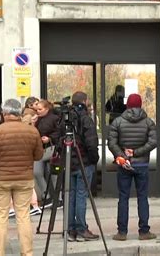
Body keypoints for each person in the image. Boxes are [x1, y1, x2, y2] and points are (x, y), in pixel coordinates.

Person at [0, 99, 43, 256]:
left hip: (0, 180)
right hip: (24, 179)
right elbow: (38, 155)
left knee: (1, 217)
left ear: (3, 113)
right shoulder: (32, 131)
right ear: (19, 112)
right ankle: (27, 253)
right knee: (23, 216)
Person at [108, 93, 157, 241]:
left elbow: (111, 143)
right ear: (140, 105)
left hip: (124, 165)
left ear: (127, 105)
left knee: (123, 197)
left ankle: (122, 232)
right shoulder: (148, 122)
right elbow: (153, 142)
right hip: (141, 164)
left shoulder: (117, 122)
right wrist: (137, 152)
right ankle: (144, 231)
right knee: (142, 197)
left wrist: (122, 156)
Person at [66, 92, 100, 242]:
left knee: (71, 195)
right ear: (85, 102)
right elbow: (91, 142)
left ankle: (70, 229)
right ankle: (81, 228)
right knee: (81, 196)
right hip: (83, 162)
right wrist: (94, 159)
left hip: (69, 162)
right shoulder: (85, 119)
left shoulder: (66, 119)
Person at [34, 100, 61, 207]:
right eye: (37, 110)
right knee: (37, 172)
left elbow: (59, 132)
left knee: (54, 173)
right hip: (41, 148)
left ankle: (57, 198)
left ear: (47, 109)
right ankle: (47, 195)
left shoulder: (54, 118)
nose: (38, 112)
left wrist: (50, 138)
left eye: (40, 109)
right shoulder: (37, 119)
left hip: (52, 147)